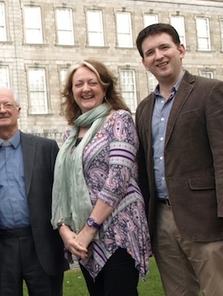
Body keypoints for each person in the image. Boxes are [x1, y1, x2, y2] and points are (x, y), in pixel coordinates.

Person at [135, 23, 223, 295]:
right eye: (150, 52)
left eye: (165, 47)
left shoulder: (210, 91)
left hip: (205, 218)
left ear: (181, 50)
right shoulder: (144, 108)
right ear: (144, 63)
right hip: (161, 219)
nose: (159, 56)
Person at [51, 60, 151, 296]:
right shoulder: (70, 133)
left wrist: (89, 229)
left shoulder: (120, 120)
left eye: (92, 82)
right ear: (71, 92)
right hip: (85, 241)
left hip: (118, 231)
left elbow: (118, 179)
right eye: (78, 84)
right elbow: (62, 188)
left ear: (104, 88)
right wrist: (65, 230)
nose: (85, 88)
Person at [0, 87, 68, 296]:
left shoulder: (46, 149)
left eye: (8, 105)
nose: (2, 110)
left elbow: (62, 196)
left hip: (42, 244)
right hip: (2, 248)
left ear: (18, 110)